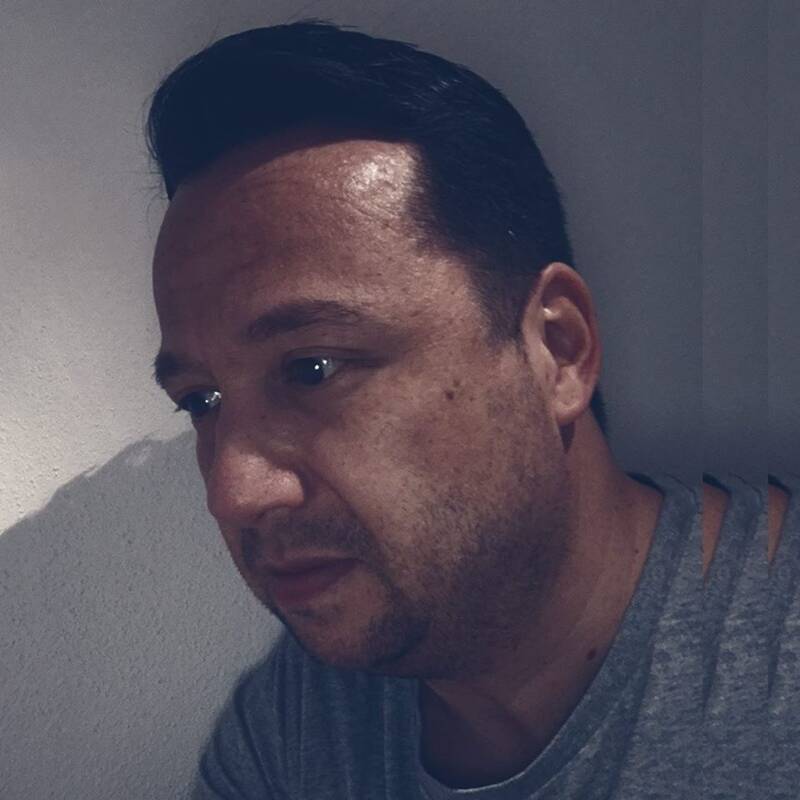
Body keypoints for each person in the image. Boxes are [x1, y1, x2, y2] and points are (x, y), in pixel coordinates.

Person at [147, 21, 787, 799]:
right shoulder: (296, 732)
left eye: (312, 369)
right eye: (201, 400)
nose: (233, 493)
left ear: (557, 349)